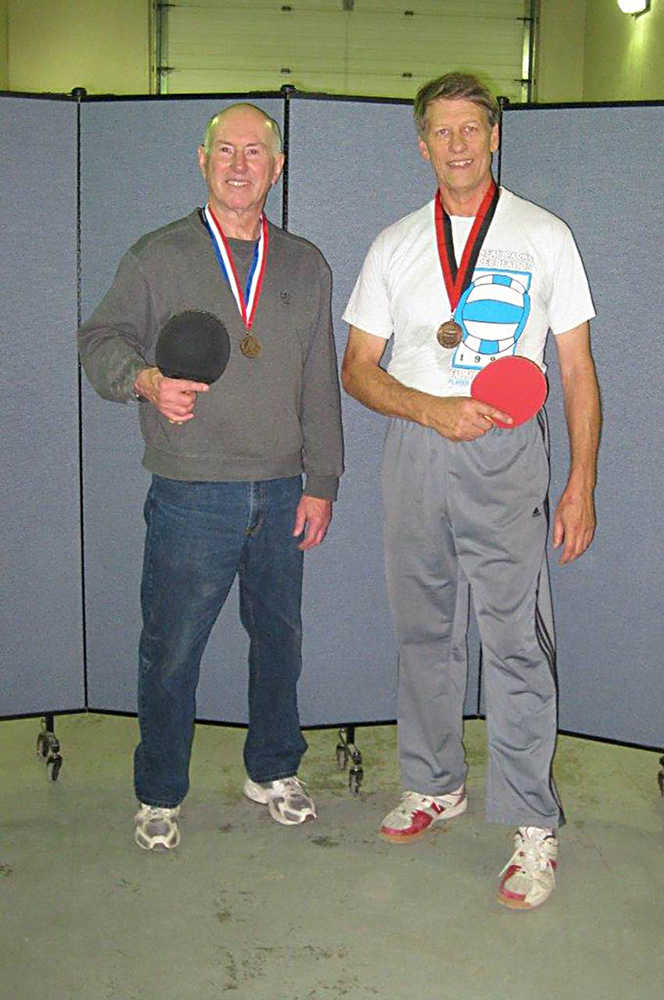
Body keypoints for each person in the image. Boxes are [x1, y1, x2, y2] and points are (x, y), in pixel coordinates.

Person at [341, 72, 601, 910]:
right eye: (441, 131)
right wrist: (431, 409)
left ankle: (531, 823)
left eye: (471, 128)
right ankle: (434, 784)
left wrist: (581, 484)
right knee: (424, 631)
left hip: (505, 459)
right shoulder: (394, 245)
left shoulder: (543, 235)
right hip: (415, 450)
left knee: (517, 641)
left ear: (494, 137)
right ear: (422, 144)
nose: (457, 143)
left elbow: (576, 371)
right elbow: (357, 370)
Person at [78, 103, 344, 850]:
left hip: (284, 489)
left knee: (279, 643)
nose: (238, 163)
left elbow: (319, 378)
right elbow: (99, 339)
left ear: (277, 167)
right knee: (171, 649)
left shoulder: (305, 264)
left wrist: (322, 479)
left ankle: (273, 768)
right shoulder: (157, 255)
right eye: (224, 149)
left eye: (254, 151)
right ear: (201, 161)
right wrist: (142, 380)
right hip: (191, 491)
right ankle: (160, 791)